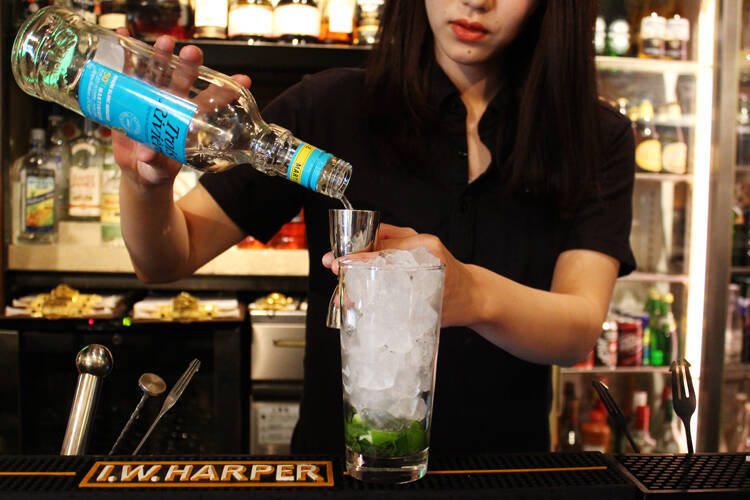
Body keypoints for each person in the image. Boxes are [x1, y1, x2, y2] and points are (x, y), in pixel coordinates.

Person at [113, 0, 635, 455]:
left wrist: (470, 292)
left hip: (507, 475)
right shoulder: (327, 106)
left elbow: (578, 328)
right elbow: (166, 258)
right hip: (342, 472)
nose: (477, 2)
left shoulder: (594, 136)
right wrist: (145, 183)